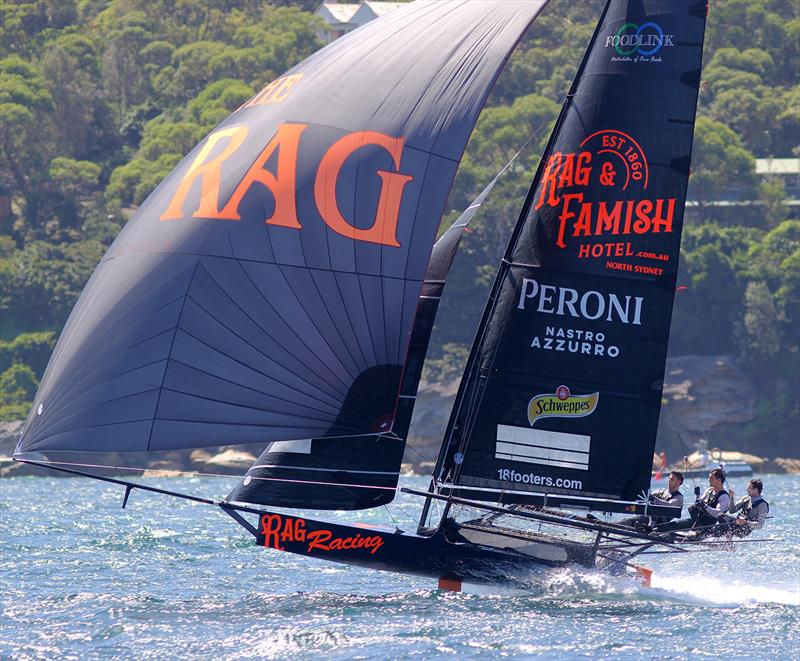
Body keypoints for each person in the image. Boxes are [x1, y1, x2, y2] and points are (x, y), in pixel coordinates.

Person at [654, 468, 730, 536]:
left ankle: (699, 531)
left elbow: (718, 514)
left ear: (719, 480)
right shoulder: (709, 490)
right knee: (670, 526)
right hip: (696, 521)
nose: (708, 479)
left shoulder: (724, 496)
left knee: (692, 509)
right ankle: (654, 530)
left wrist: (705, 506)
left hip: (707, 525)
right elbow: (697, 504)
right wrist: (697, 495)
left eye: (711, 478)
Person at [619, 471, 684, 530]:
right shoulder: (663, 492)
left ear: (678, 482)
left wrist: (654, 499)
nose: (669, 481)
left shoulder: (678, 498)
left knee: (629, 521)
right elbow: (649, 495)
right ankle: (610, 527)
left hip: (660, 522)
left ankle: (650, 525)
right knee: (627, 519)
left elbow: (669, 504)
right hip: (648, 516)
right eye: (669, 479)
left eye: (672, 480)